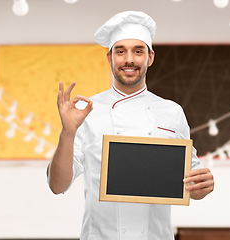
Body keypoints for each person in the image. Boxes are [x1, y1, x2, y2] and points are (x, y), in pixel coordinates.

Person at [47, 11, 214, 240]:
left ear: (150, 57)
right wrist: (68, 132)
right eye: (120, 51)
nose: (129, 59)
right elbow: (57, 185)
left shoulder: (172, 112)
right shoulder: (87, 112)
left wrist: (202, 186)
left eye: (138, 51)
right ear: (109, 58)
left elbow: (191, 183)